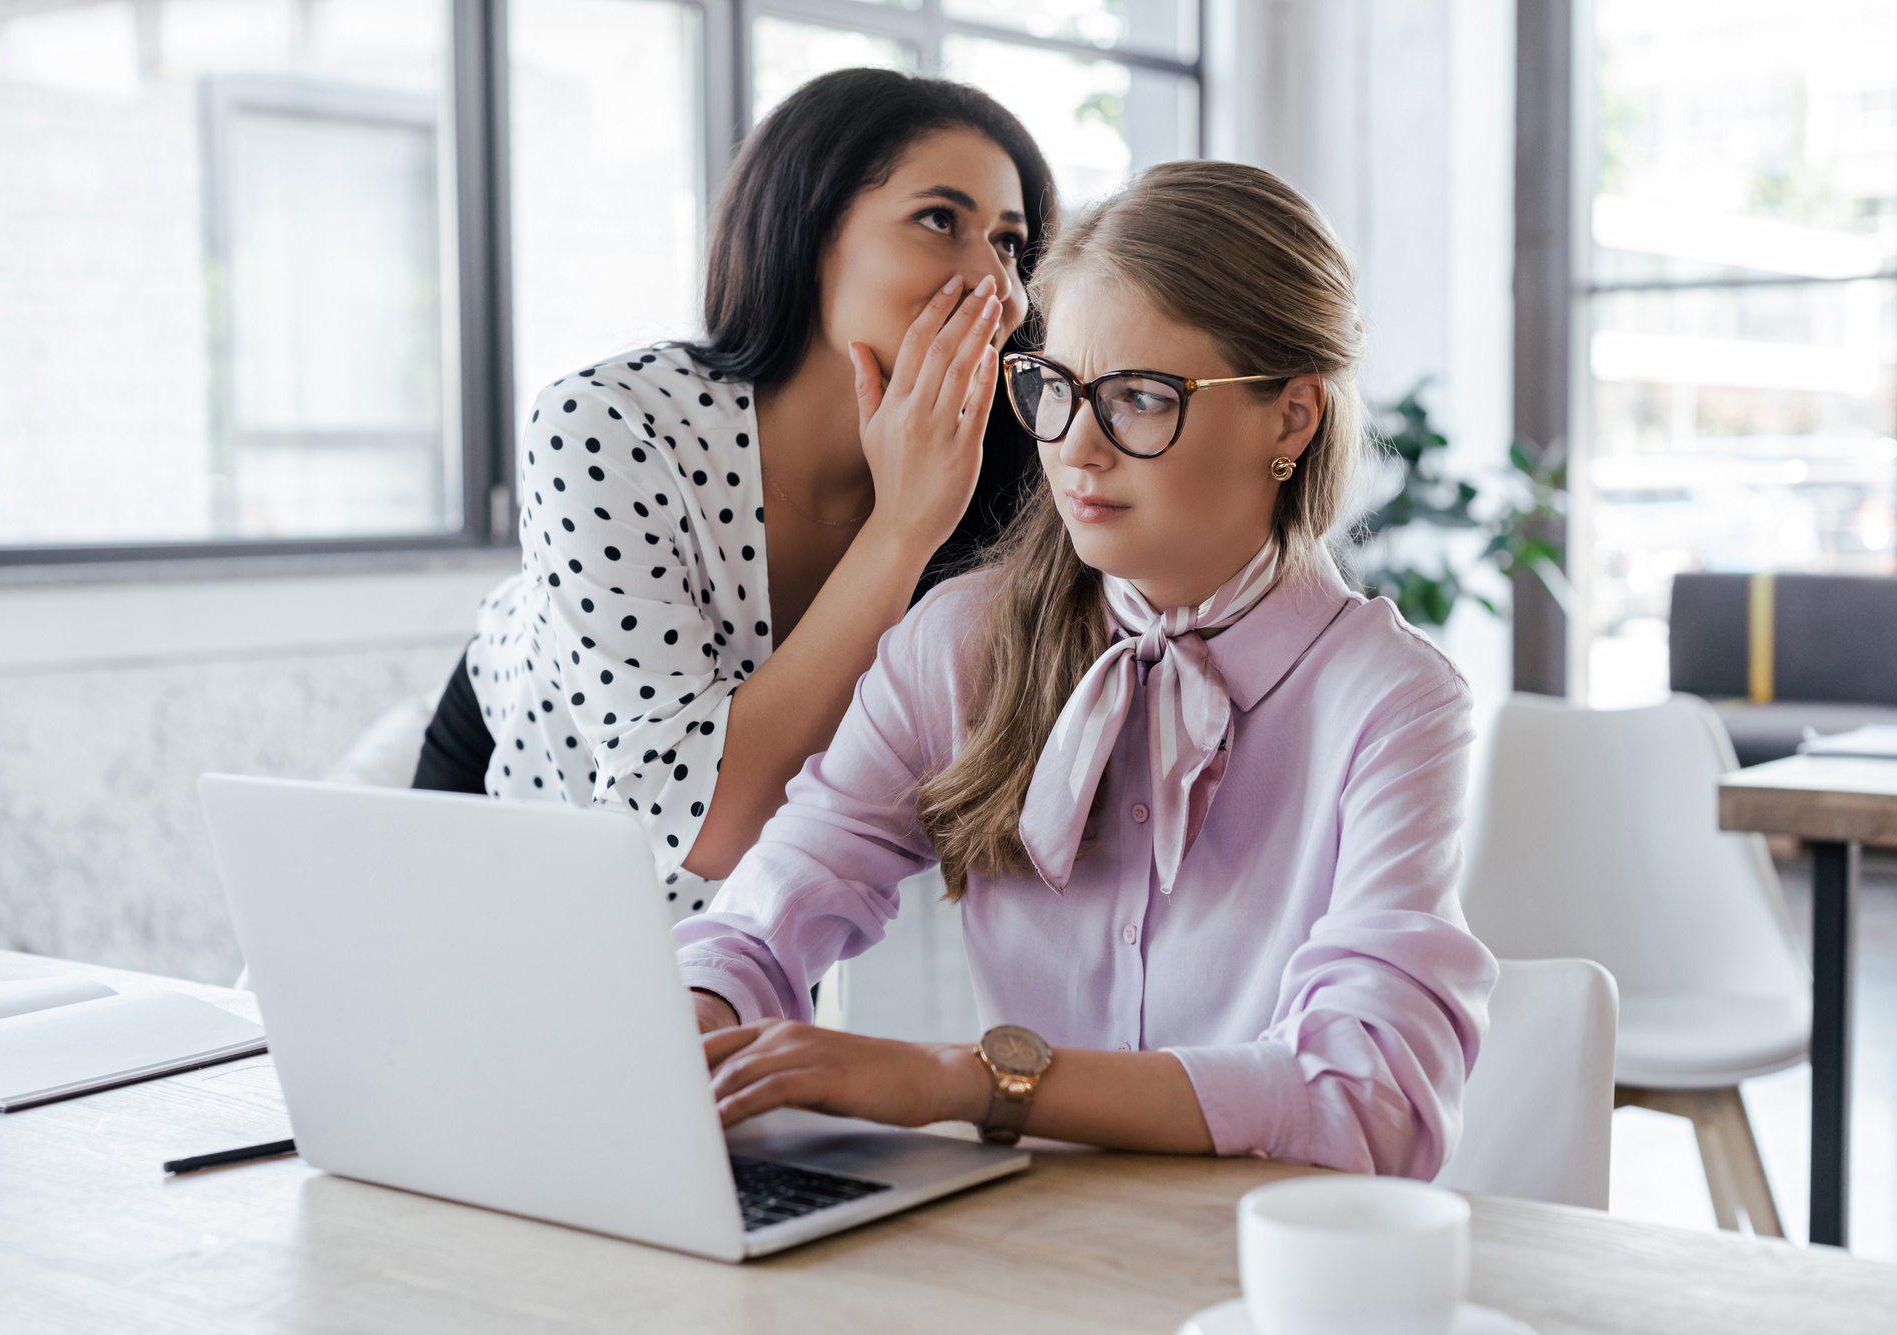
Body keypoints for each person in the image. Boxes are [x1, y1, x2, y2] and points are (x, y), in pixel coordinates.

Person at [678, 161, 1499, 1178]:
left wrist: (966, 1081)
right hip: (1029, 1250)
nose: (1075, 449)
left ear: (1290, 419)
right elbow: (773, 904)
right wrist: (693, 1020)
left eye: (1140, 399)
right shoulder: (959, 642)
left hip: (1263, 1265)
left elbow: (1370, 1100)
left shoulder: (1390, 702)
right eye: (1057, 390)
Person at [412, 70, 1058, 920]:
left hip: (753, 888)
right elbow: (695, 820)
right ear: (814, 233)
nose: (994, 283)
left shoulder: (1008, 463)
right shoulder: (608, 423)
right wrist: (902, 529)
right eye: (940, 220)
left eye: (1010, 243)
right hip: (533, 783)